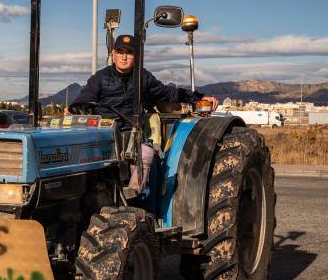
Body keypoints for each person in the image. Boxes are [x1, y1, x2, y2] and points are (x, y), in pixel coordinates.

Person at [68, 34, 218, 195]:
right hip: (105, 136)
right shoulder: (99, 79)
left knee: (146, 152)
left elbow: (169, 93)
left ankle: (134, 193)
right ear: (113, 54)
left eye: (129, 52)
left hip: (132, 135)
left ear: (136, 56)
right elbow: (81, 102)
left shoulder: (143, 77)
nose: (124, 57)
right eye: (120, 52)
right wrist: (74, 109)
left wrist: (199, 97)